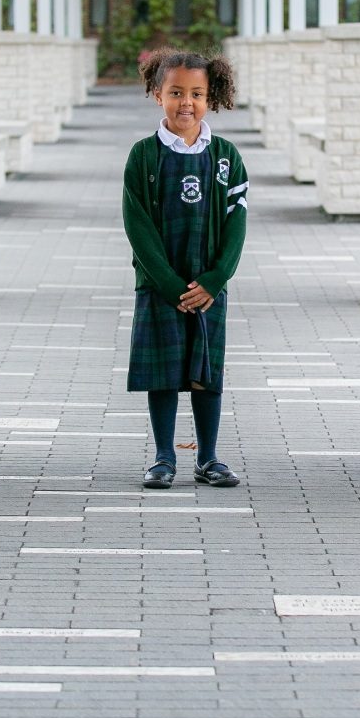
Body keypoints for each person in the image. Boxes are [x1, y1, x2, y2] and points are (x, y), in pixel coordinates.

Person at [123, 49, 249, 490]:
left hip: (209, 288)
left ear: (210, 96)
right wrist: (171, 285)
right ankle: (163, 458)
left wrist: (215, 279)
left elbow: (237, 224)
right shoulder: (144, 157)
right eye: (176, 93)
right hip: (162, 288)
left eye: (196, 94)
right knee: (164, 373)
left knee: (206, 372)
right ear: (157, 94)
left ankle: (209, 458)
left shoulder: (226, 157)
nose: (186, 103)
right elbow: (137, 227)